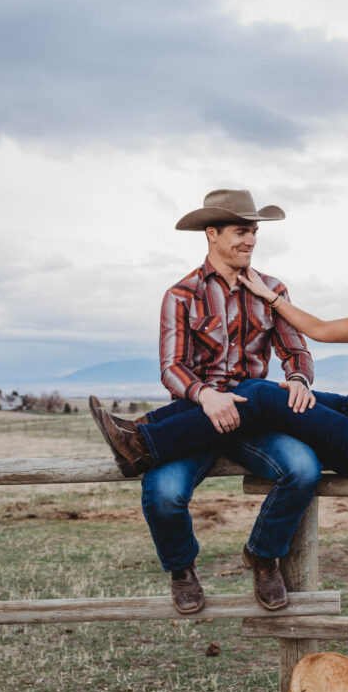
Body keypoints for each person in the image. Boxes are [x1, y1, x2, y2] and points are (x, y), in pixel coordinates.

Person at [91, 230, 348, 597]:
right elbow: (321, 330)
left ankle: (142, 444)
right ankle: (140, 437)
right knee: (262, 393)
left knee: (263, 396)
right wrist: (271, 299)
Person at [91, 189, 322, 617]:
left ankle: (264, 557)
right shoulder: (181, 294)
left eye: (254, 232)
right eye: (240, 231)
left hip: (253, 414)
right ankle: (182, 569)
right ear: (212, 233)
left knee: (304, 470)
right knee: (163, 494)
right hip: (197, 416)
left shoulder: (272, 290)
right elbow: (171, 367)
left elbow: (296, 349)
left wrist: (297, 379)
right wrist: (205, 394)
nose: (250, 240)